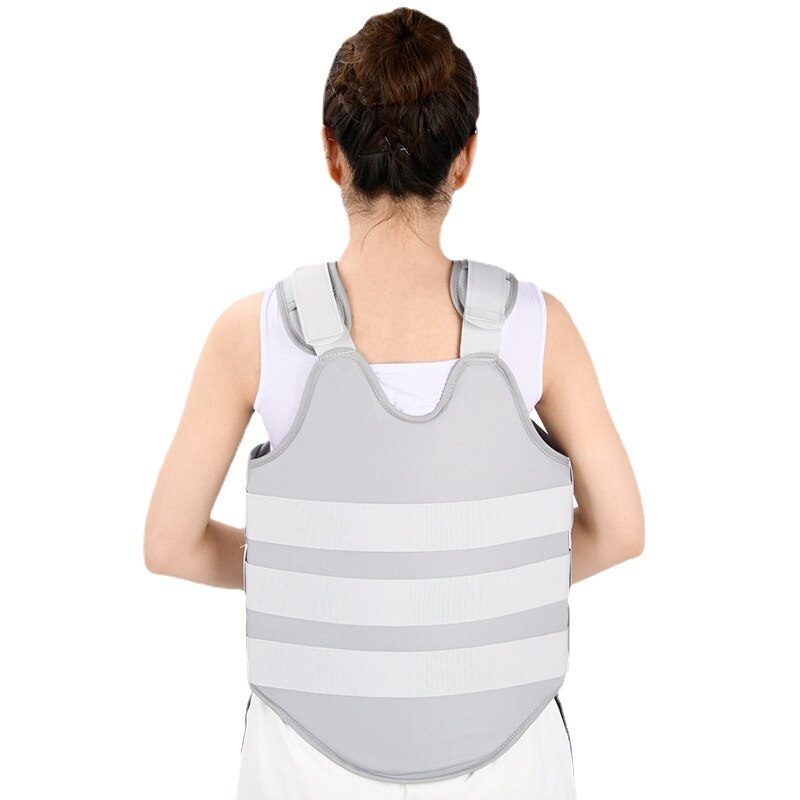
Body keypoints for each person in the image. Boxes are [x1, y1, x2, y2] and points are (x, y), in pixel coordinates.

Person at [143, 7, 645, 799]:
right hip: (511, 758)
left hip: (304, 761)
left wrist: (329, 576)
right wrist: (466, 581)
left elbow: (169, 545)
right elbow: (620, 532)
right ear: (465, 160)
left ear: (331, 153)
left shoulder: (253, 334)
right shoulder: (538, 327)